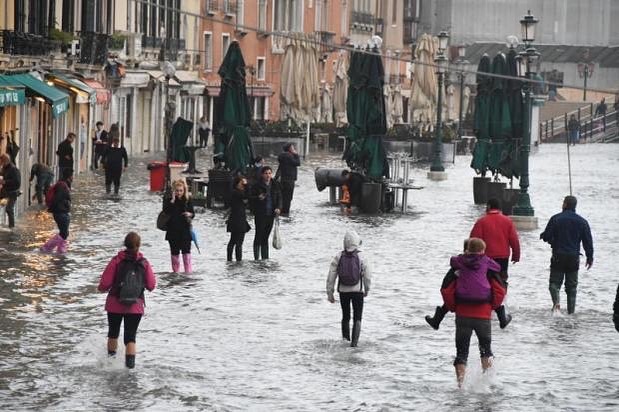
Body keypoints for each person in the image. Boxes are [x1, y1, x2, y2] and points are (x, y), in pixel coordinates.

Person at [441, 238, 507, 388]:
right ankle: (487, 382)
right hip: (483, 314)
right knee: (486, 350)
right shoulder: (486, 262)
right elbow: (498, 273)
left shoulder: (459, 262)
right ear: (482, 251)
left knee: (461, 352)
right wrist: (493, 306)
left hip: (463, 314)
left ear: (467, 249)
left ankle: (460, 386)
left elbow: (451, 266)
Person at [98, 231, 156, 369]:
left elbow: (105, 283)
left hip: (114, 304)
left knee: (113, 333)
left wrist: (100, 289)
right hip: (135, 306)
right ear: (139, 245)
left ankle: (110, 363)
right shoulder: (144, 263)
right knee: (130, 337)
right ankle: (130, 370)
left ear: (125, 244)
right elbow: (151, 285)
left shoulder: (116, 261)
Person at [540, 195, 594, 314]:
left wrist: (546, 238)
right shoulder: (582, 222)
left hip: (558, 256)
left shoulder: (556, 218)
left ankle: (556, 303)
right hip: (574, 258)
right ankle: (571, 313)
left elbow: (547, 236)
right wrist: (590, 257)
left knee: (554, 284)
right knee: (572, 288)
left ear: (565, 204)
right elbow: (588, 242)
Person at [326, 230, 371, 347]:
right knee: (357, 317)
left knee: (345, 316)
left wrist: (330, 293)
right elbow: (367, 276)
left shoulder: (339, 256)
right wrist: (367, 289)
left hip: (343, 291)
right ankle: (354, 345)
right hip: (358, 291)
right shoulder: (362, 256)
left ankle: (345, 341)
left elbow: (331, 276)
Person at [250, 166, 281, 260]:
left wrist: (279, 208)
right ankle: (256, 258)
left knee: (266, 236)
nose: (268, 175)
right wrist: (258, 198)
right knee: (258, 235)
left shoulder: (275, 184)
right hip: (260, 214)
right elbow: (250, 198)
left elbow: (280, 197)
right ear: (262, 174)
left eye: (269, 173)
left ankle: (265, 258)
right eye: (266, 173)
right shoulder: (257, 185)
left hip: (271, 214)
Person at [163, 179, 195, 273]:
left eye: (181, 190)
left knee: (186, 253)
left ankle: (187, 274)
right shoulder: (169, 200)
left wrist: (189, 214)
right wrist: (172, 201)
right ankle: (175, 274)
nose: (179, 192)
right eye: (177, 190)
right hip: (173, 231)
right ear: (174, 190)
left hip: (185, 231)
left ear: (184, 190)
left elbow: (193, 213)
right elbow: (166, 211)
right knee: (174, 254)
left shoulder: (187, 200)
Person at [40, 168, 73, 253]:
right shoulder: (63, 186)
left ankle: (61, 251)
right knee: (64, 233)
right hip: (60, 212)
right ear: (69, 177)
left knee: (64, 233)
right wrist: (53, 208)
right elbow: (57, 198)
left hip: (61, 212)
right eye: (72, 176)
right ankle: (47, 248)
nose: (73, 178)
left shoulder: (63, 184)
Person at [226, 175, 251, 261]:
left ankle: (230, 259)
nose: (243, 185)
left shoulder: (235, 192)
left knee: (233, 241)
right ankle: (238, 260)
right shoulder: (236, 193)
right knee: (238, 242)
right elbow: (247, 196)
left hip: (236, 219)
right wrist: (247, 185)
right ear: (237, 184)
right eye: (241, 184)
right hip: (238, 220)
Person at [276, 143, 300, 216]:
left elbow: (280, 168)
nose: (294, 149)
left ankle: (281, 210)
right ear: (289, 149)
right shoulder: (289, 156)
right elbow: (298, 163)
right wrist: (296, 155)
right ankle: (285, 212)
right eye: (293, 148)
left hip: (283, 179)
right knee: (288, 197)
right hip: (289, 180)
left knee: (283, 196)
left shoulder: (282, 156)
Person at [0, 154, 21, 228]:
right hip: (4, 193)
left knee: (9, 209)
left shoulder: (13, 169)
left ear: (5, 161)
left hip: (12, 193)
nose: (1, 164)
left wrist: (5, 182)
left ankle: (11, 227)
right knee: (4, 206)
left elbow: (17, 182)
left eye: (1, 162)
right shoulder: (4, 168)